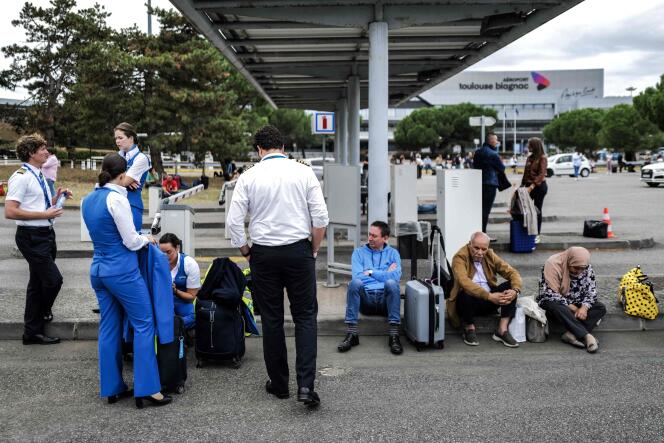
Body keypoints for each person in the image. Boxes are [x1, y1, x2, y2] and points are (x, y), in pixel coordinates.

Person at [227, 125, 329, 407]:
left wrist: (247, 251)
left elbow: (234, 222)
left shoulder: (248, 176)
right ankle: (306, 386)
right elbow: (320, 218)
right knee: (305, 317)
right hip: (299, 251)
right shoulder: (304, 171)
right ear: (283, 147)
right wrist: (314, 248)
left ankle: (280, 384)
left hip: (264, 254)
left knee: (271, 319)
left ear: (259, 150)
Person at [82, 153, 172, 408]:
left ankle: (112, 387)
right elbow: (131, 241)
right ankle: (148, 389)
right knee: (144, 324)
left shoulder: (88, 199)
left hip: (98, 269)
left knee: (109, 327)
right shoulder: (116, 199)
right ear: (122, 175)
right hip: (121, 271)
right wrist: (148, 239)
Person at [4, 134, 71, 345]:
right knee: (53, 280)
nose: (47, 152)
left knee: (37, 284)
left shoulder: (38, 174)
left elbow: (35, 204)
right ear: (31, 153)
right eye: (43, 149)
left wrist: (56, 198)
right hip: (31, 237)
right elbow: (10, 211)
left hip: (45, 234)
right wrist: (45, 215)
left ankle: (31, 333)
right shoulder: (21, 176)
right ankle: (42, 313)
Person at [338, 221, 403, 355]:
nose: (370, 238)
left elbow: (396, 277)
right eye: (369, 235)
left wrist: (371, 272)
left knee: (392, 284)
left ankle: (394, 336)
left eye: (374, 236)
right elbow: (358, 276)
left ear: (385, 238)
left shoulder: (393, 253)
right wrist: (386, 273)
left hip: (386, 301)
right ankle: (352, 334)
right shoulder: (358, 253)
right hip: (366, 300)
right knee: (354, 283)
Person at [449, 232, 523, 348]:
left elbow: (512, 272)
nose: (480, 252)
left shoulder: (490, 255)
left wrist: (516, 290)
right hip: (468, 304)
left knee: (510, 288)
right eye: (476, 248)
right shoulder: (460, 257)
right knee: (464, 292)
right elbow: (464, 281)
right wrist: (489, 296)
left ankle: (502, 330)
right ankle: (469, 328)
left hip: (489, 301)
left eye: (483, 249)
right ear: (470, 245)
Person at [537, 247, 606, 353]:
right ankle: (587, 336)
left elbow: (591, 292)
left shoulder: (586, 267)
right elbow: (550, 294)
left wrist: (584, 308)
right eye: (576, 268)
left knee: (600, 308)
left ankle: (570, 334)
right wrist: (574, 309)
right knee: (556, 306)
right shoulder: (553, 264)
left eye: (582, 268)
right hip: (555, 302)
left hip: (577, 302)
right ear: (569, 261)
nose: (579, 271)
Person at [158, 233, 200, 331]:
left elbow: (191, 297)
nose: (165, 256)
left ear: (177, 248)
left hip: (182, 301)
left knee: (195, 317)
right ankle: (176, 328)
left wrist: (175, 291)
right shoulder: (156, 262)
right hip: (162, 301)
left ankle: (170, 327)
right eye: (162, 253)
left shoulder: (189, 264)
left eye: (168, 252)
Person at [114, 122, 150, 232]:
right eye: (116, 138)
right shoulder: (116, 156)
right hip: (114, 205)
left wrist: (117, 179)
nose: (117, 141)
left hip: (131, 206)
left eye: (120, 138)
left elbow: (123, 182)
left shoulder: (141, 158)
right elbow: (102, 178)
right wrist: (125, 179)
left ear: (131, 138)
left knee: (131, 245)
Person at [473, 133, 506, 237]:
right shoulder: (493, 154)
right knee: (486, 210)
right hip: (490, 184)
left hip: (478, 183)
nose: (497, 142)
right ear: (491, 141)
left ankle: (478, 232)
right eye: (496, 140)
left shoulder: (478, 152)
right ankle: (483, 234)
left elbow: (475, 166)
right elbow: (502, 168)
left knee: (479, 209)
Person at [521, 137, 548, 244]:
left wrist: (531, 187)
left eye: (529, 144)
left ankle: (537, 234)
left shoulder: (542, 158)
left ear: (535, 146)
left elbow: (541, 174)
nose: (528, 146)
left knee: (537, 210)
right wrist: (521, 186)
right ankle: (526, 231)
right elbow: (525, 173)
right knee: (525, 210)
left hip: (539, 187)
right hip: (527, 187)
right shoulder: (530, 158)